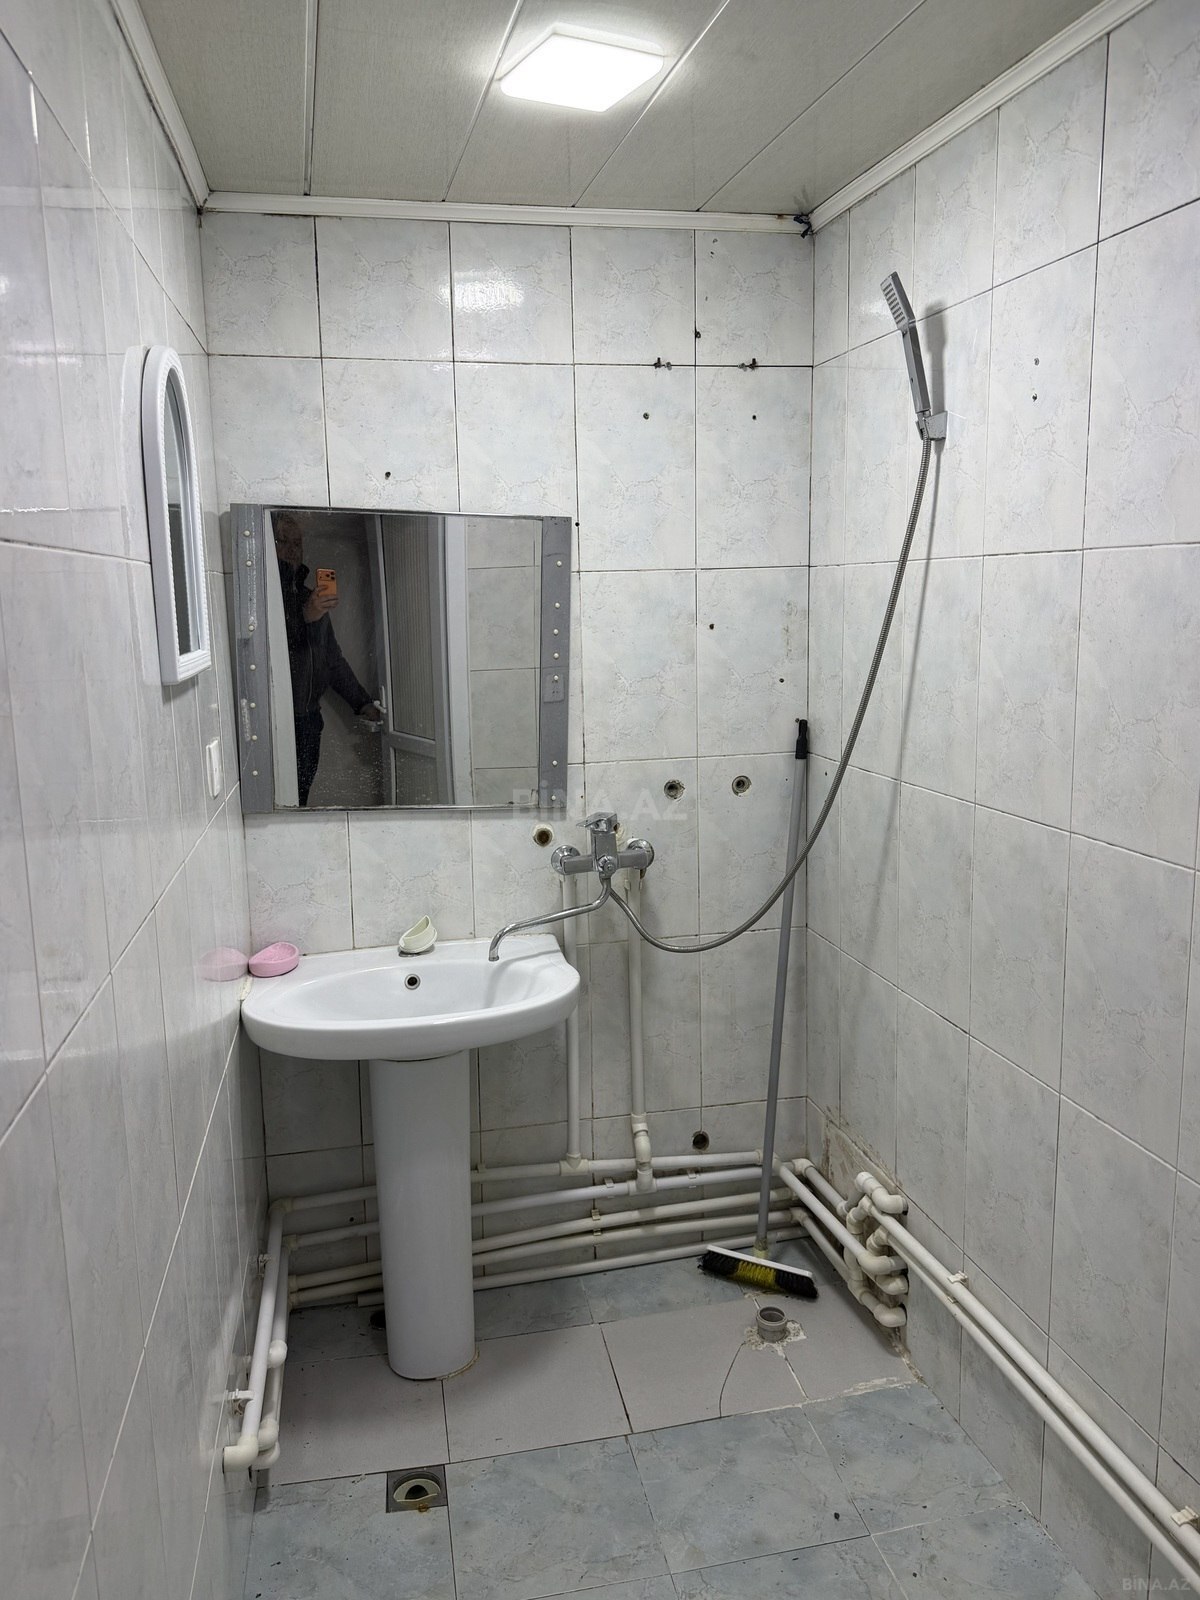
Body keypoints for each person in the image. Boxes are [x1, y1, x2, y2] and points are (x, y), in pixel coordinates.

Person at [273, 513, 382, 805]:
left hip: (309, 721)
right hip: (278, 722)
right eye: (282, 541)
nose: (292, 549)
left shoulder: (310, 598)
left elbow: (333, 660)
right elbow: (272, 651)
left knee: (300, 798)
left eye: (297, 543)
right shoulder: (266, 599)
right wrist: (305, 616)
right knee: (279, 801)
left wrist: (363, 703)